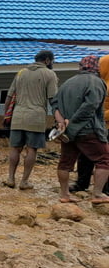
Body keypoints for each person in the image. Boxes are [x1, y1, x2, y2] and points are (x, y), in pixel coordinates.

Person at [51, 55, 109, 204]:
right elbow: (90, 107)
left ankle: (64, 195)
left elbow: (54, 105)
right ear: (96, 67)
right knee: (104, 160)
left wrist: (62, 124)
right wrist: (73, 125)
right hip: (89, 130)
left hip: (67, 133)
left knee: (65, 163)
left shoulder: (67, 83)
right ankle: (97, 194)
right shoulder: (96, 82)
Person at [4, 50, 58, 190]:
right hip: (36, 117)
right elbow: (53, 99)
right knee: (31, 149)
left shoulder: (21, 72)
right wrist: (58, 118)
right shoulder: (49, 74)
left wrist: (6, 115)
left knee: (15, 148)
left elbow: (9, 96)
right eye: (52, 61)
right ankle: (24, 181)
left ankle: (10, 178)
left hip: (18, 116)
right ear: (47, 60)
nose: (53, 63)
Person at [70, 54, 109, 194]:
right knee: (86, 154)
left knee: (103, 157)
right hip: (95, 125)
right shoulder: (96, 82)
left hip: (101, 124)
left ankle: (104, 188)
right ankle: (82, 183)